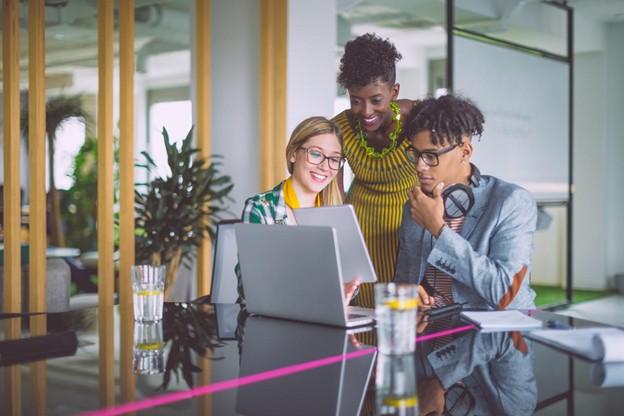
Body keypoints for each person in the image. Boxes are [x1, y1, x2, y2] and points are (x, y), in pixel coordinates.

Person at [395, 95, 537, 310]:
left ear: (464, 152)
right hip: (430, 334)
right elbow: (403, 283)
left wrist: (439, 230)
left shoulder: (511, 202)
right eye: (415, 154)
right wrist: (407, 295)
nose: (419, 166)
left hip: (491, 338)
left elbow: (510, 296)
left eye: (431, 156)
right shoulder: (415, 206)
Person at [333, 33, 418, 308]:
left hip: (406, 242)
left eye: (376, 100)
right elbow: (334, 198)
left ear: (394, 92)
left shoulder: (419, 121)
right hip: (358, 244)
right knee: (361, 329)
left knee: (400, 329)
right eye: (356, 100)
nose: (365, 110)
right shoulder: (341, 128)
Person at [237, 116, 360, 302]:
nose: (325, 167)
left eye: (334, 159)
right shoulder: (260, 209)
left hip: (323, 317)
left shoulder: (338, 216)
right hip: (269, 323)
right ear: (294, 153)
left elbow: (349, 278)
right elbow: (247, 287)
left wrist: (344, 290)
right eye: (316, 154)